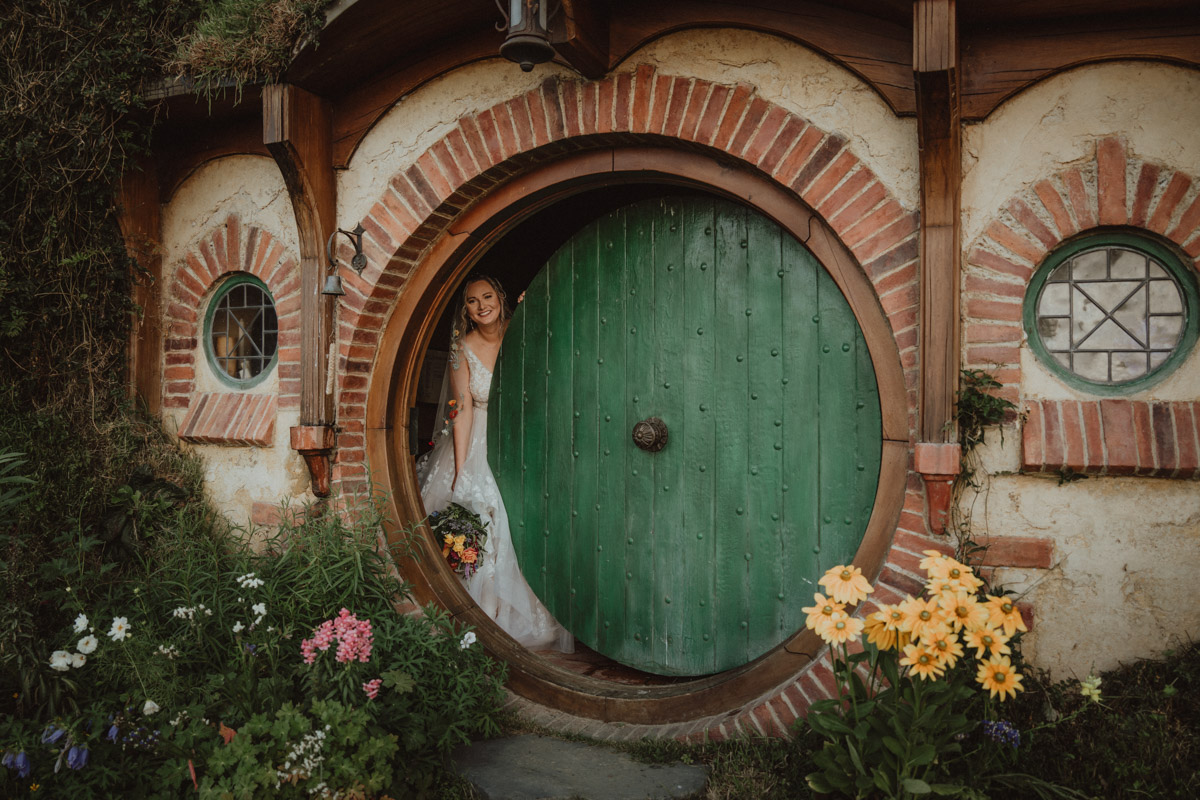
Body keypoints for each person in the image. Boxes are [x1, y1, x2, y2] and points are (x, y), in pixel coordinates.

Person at [416, 276, 573, 652]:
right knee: (488, 517)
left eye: (488, 296)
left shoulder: (523, 331)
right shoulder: (461, 348)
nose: (482, 305)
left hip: (526, 434)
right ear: (466, 310)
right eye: (472, 301)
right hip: (482, 440)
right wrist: (459, 468)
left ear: (501, 298)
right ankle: (488, 615)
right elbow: (463, 411)